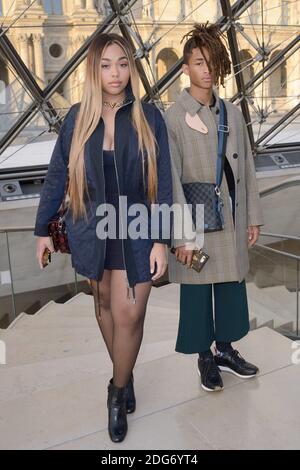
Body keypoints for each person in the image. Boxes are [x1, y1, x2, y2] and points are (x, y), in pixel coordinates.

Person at [34, 33, 173, 442]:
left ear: (132, 67)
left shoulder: (150, 117)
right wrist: (42, 229)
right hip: (92, 228)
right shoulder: (78, 118)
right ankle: (124, 375)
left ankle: (116, 391)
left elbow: (163, 182)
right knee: (104, 308)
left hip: (138, 228)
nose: (116, 73)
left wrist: (161, 239)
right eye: (106, 64)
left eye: (123, 63)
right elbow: (57, 174)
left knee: (130, 313)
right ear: (94, 69)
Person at [164, 23, 264, 392]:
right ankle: (204, 357)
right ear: (186, 67)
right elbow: (170, 179)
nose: (206, 70)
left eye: (211, 62)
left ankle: (225, 349)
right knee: (196, 291)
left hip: (231, 217)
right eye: (198, 62)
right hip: (196, 222)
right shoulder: (173, 117)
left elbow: (247, 168)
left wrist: (252, 216)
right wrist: (180, 235)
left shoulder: (233, 113)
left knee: (230, 286)